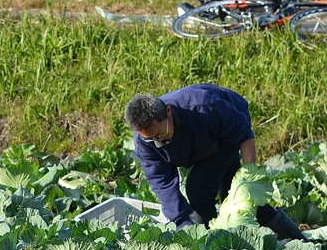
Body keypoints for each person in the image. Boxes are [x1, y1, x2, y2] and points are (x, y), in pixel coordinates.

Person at [124, 84, 304, 239]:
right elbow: (162, 183)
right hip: (199, 144)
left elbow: (244, 134)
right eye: (151, 139)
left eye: (160, 134)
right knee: (237, 198)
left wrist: (250, 175)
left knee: (199, 189)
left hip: (225, 133)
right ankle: (296, 239)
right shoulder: (145, 141)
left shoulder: (202, 107)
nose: (159, 142)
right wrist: (181, 220)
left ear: (169, 112)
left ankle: (216, 241)